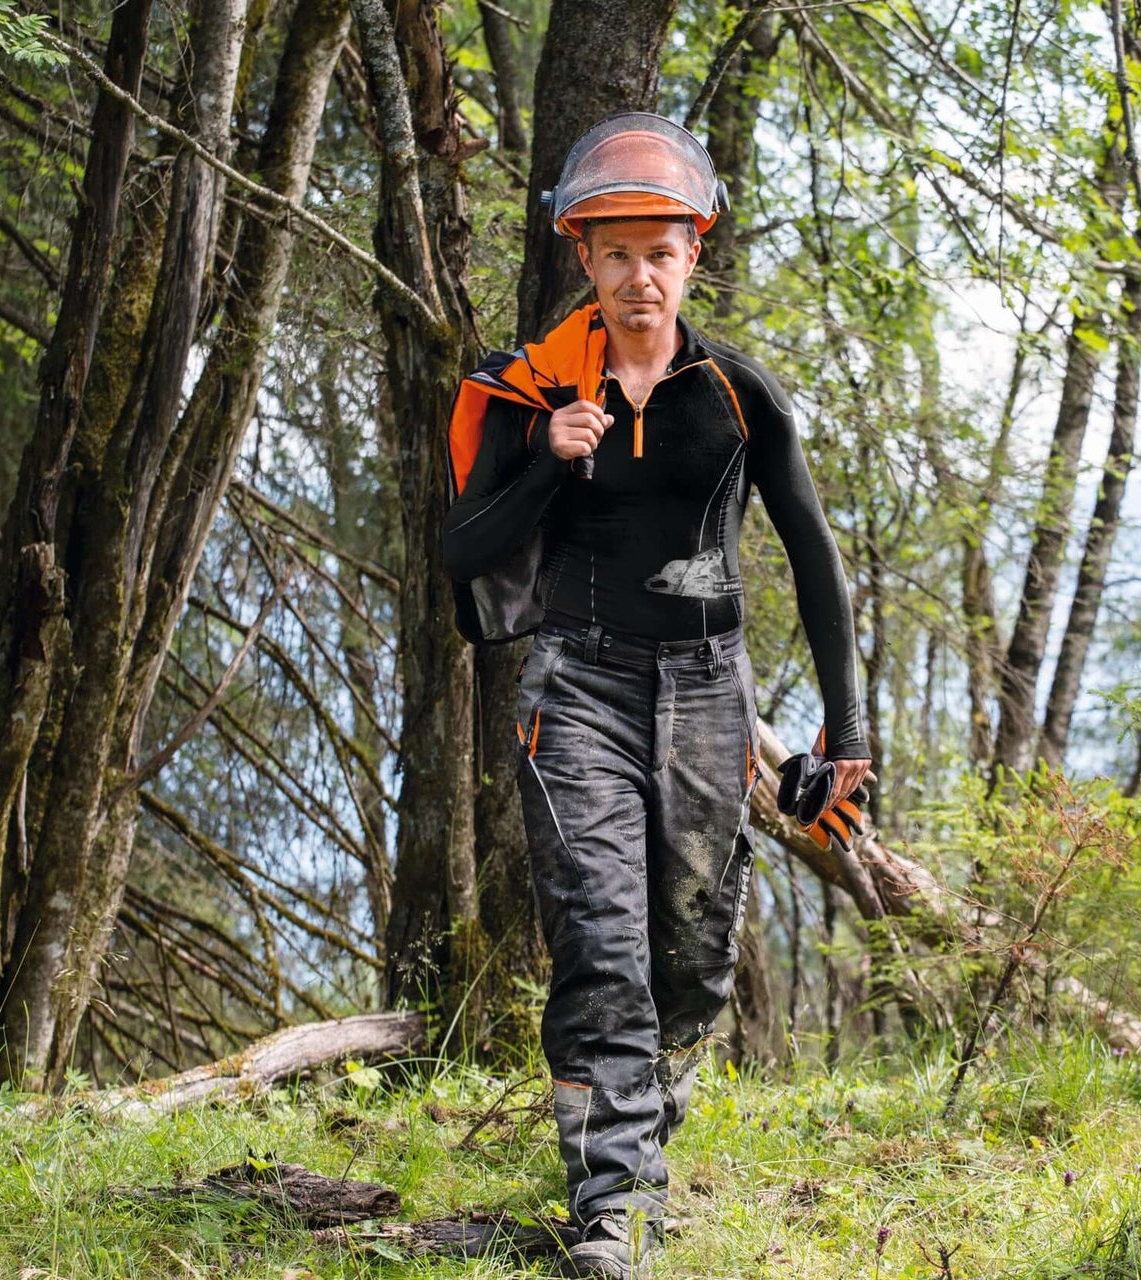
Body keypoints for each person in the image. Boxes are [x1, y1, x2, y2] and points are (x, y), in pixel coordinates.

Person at [442, 112, 872, 1279]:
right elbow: (459, 550)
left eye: (662, 249)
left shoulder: (736, 394)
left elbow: (815, 556)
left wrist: (850, 729)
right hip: (575, 687)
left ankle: (633, 1143)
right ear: (582, 254)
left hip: (707, 692)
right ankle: (613, 1208)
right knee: (601, 942)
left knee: (691, 955)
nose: (641, 273)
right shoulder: (528, 388)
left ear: (694, 254)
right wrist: (545, 461)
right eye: (616, 249)